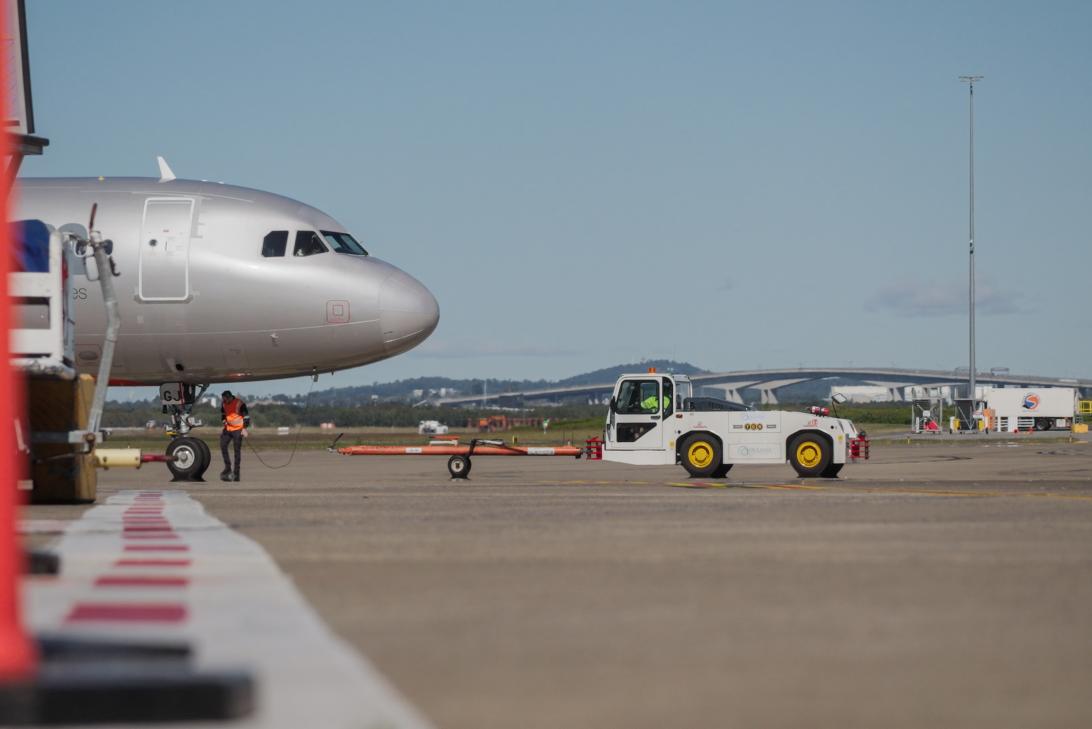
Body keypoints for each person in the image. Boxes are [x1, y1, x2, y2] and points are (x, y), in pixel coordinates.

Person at [219, 390, 250, 482]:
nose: (224, 401)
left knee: (237, 451)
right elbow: (223, 415)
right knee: (223, 445)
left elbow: (246, 417)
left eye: (225, 399)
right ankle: (227, 467)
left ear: (230, 397)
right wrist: (224, 422)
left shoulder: (239, 404)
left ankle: (236, 473)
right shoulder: (224, 403)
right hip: (228, 429)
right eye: (223, 399)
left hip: (238, 430)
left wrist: (244, 428)